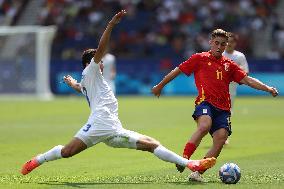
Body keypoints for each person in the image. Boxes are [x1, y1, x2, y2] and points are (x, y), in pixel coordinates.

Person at [21, 10, 216, 176]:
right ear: (91, 63)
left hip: (112, 128)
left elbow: (82, 88)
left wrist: (73, 83)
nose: (103, 63)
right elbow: (101, 49)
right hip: (100, 123)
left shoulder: (91, 80)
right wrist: (111, 25)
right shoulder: (91, 70)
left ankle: (190, 163)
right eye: (100, 60)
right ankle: (38, 160)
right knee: (68, 151)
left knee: (152, 144)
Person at [152, 29, 278, 181]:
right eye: (216, 43)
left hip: (223, 108)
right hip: (205, 102)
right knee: (204, 125)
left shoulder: (229, 65)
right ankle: (184, 159)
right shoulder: (199, 58)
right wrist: (160, 86)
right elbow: (178, 70)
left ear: (226, 46)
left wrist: (268, 88)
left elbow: (248, 80)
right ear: (210, 42)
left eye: (223, 44)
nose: (219, 47)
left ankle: (197, 173)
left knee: (221, 138)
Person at [223, 32, 249, 145]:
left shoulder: (239, 56)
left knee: (227, 113)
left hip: (231, 90)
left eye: (232, 42)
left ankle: (224, 136)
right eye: (228, 41)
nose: (229, 44)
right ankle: (221, 136)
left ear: (235, 43)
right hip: (217, 88)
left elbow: (246, 72)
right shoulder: (220, 54)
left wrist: (237, 70)